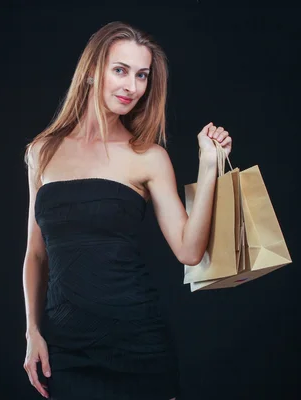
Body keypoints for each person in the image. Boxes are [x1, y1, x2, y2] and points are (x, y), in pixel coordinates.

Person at [22, 21, 232, 400]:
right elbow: (36, 253)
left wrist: (209, 166)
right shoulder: (42, 151)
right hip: (66, 350)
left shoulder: (148, 157)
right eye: (120, 70)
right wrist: (31, 331)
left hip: (137, 344)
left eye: (141, 75)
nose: (131, 87)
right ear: (91, 73)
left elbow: (189, 251)